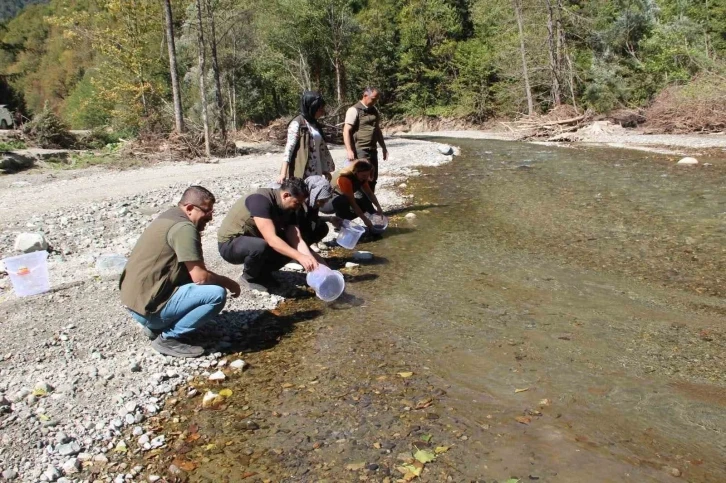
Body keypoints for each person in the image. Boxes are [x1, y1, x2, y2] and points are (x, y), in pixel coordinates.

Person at [120, 186, 241, 358]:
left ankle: (157, 326)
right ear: (190, 208)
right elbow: (200, 277)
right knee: (216, 294)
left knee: (197, 283)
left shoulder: (170, 215)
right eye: (207, 211)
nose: (211, 217)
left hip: (136, 303)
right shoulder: (184, 228)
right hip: (147, 310)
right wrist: (229, 282)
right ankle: (168, 339)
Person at [217, 178, 323, 292]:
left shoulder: (290, 207)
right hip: (230, 244)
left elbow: (296, 239)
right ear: (286, 195)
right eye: (297, 203)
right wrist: (299, 257)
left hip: (254, 239)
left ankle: (263, 274)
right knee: (261, 246)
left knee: (288, 245)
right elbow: (271, 239)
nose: (299, 207)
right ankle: (249, 278)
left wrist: (310, 259)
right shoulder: (260, 200)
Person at [278, 91, 335, 183]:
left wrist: (325, 170)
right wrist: (283, 173)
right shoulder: (297, 123)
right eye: (319, 108)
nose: (322, 111)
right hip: (303, 172)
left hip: (317, 171)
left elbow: (319, 149)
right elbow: (289, 149)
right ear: (311, 107)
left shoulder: (314, 124)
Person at [343, 87, 388, 191]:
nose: (375, 101)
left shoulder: (374, 111)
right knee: (362, 179)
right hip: (360, 150)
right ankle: (359, 205)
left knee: (373, 178)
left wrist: (384, 147)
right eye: (373, 99)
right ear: (365, 96)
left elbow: (377, 130)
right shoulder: (354, 110)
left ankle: (368, 205)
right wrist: (349, 150)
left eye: (376, 99)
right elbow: (346, 131)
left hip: (373, 150)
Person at [321, 160, 384, 232]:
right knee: (343, 200)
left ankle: (346, 221)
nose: (366, 178)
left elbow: (369, 193)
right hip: (325, 204)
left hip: (341, 200)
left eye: (367, 175)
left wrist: (378, 207)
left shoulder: (362, 178)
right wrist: (365, 220)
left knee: (364, 201)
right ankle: (340, 227)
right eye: (364, 176)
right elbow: (352, 202)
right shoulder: (344, 179)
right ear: (356, 172)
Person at [299, 175, 340, 246]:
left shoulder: (312, 202)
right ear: (314, 194)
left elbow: (312, 217)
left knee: (322, 227)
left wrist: (330, 218)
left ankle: (308, 245)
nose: (322, 205)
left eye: (324, 202)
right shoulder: (298, 203)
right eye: (321, 201)